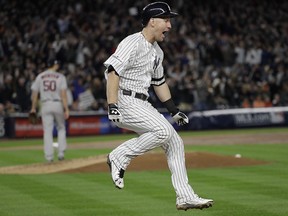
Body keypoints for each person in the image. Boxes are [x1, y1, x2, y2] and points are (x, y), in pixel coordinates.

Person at [104, 2, 213, 211]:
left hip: (141, 102)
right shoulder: (132, 42)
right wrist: (112, 104)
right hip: (124, 100)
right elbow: (112, 71)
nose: (170, 25)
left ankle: (185, 196)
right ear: (152, 21)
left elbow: (159, 83)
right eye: (166, 20)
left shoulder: (157, 52)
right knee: (163, 131)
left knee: (175, 142)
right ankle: (119, 155)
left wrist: (173, 110)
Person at [30, 59, 69, 162]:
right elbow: (64, 95)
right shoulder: (60, 77)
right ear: (54, 65)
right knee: (61, 128)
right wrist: (66, 109)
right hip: (57, 103)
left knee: (47, 131)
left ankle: (49, 157)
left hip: (45, 104)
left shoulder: (40, 76)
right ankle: (60, 154)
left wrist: (33, 108)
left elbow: (34, 94)